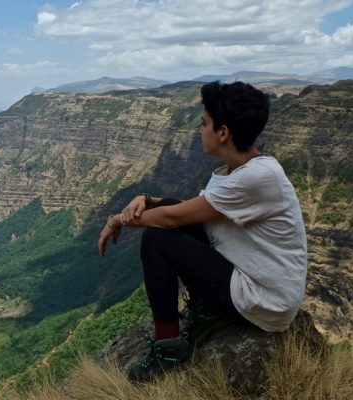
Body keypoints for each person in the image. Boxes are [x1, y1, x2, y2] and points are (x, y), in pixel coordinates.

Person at [98, 81, 308, 381]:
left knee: (157, 239)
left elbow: (170, 220)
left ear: (223, 132)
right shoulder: (244, 169)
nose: (199, 131)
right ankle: (206, 309)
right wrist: (146, 199)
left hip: (265, 299)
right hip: (253, 279)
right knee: (171, 208)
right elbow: (187, 209)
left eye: (204, 123)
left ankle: (169, 348)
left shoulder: (258, 178)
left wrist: (116, 220)